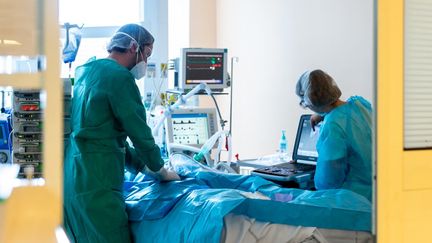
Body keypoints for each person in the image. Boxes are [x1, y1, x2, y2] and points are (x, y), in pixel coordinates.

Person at [63, 23, 180, 243]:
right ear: (133, 46)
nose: (145, 62)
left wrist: (143, 166)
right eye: (146, 54)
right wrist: (160, 169)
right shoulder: (120, 78)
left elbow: (111, 139)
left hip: (72, 179)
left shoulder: (86, 71)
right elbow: (140, 134)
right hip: (96, 187)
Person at [295, 69, 372, 201]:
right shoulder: (360, 103)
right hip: (379, 191)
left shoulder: (333, 126)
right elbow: (342, 111)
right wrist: (322, 114)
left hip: (356, 200)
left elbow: (328, 181)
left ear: (312, 102)